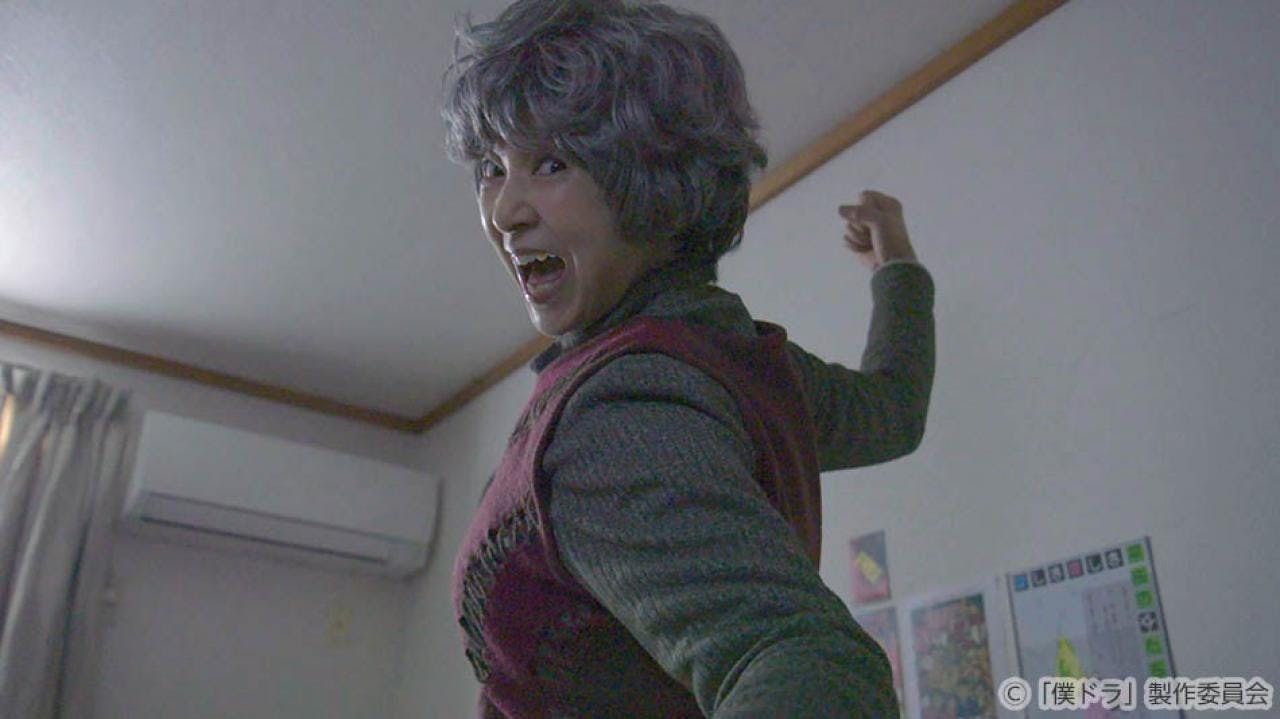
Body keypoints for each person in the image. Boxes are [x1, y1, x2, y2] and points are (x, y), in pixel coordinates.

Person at [442, 1, 935, 716]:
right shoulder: (742, 363)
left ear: (649, 177)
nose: (503, 212)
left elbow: (809, 660)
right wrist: (900, 271)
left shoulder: (619, 409)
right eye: (491, 168)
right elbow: (895, 410)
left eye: (550, 163)